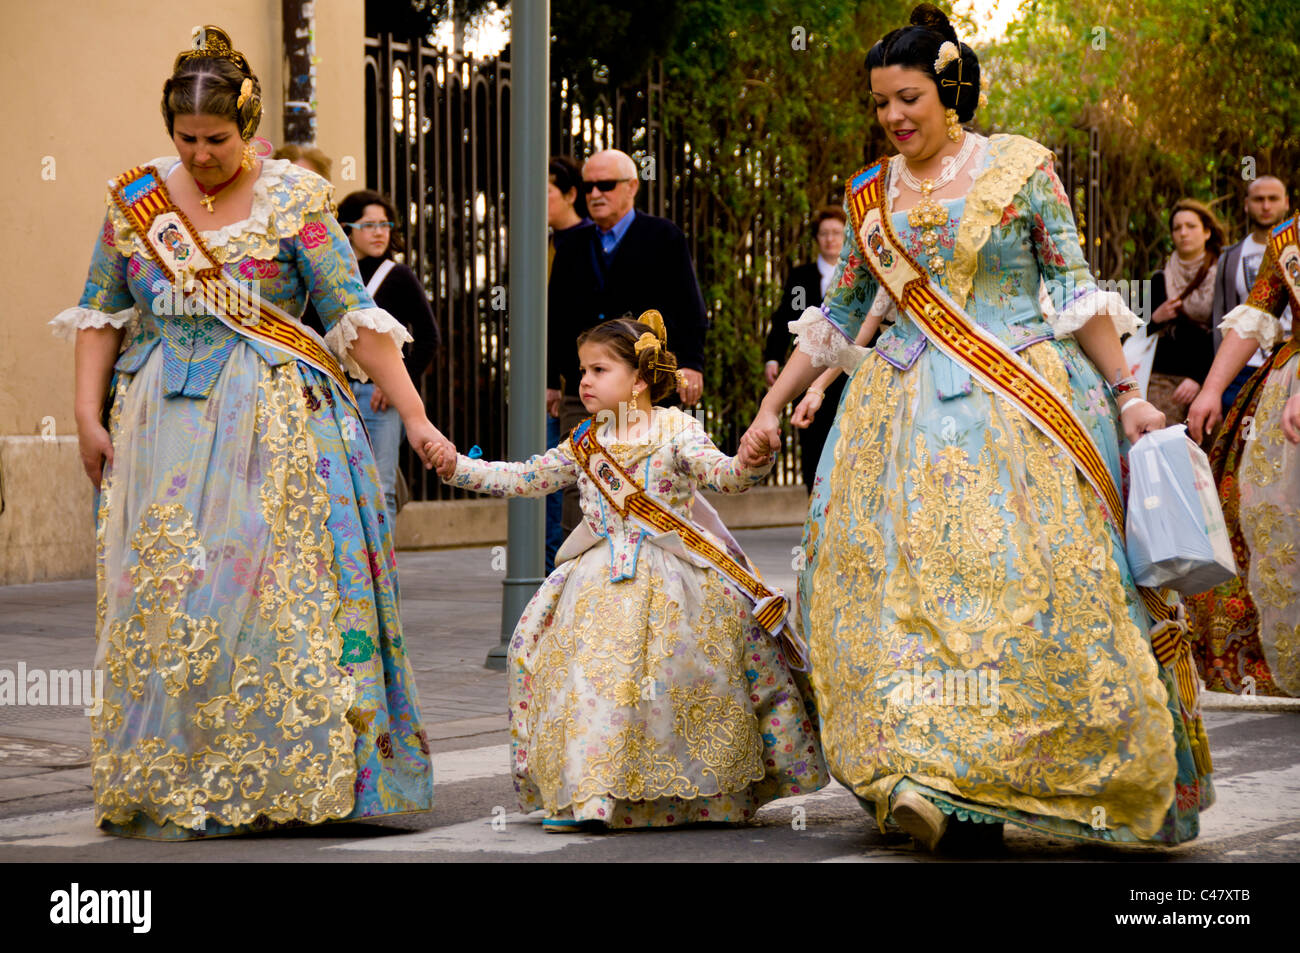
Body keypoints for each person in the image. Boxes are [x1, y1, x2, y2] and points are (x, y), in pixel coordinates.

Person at [741, 3, 1212, 852]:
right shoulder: (868, 192)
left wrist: (1127, 392)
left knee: (1034, 588)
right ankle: (928, 779)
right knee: (901, 597)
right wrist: (775, 405)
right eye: (881, 102)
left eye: (909, 97)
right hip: (898, 414)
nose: (893, 117)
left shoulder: (1022, 169)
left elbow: (1072, 287)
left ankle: (1041, 772)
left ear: (949, 89)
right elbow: (842, 314)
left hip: (1020, 404)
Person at [49, 26, 449, 839]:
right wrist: (87, 416)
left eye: (218, 140)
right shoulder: (135, 201)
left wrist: (411, 412)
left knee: (261, 595)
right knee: (167, 598)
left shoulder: (294, 198)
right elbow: (102, 312)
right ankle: (175, 771)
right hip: (160, 421)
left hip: (273, 423)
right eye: (186, 139)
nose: (200, 156)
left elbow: (351, 317)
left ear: (248, 124)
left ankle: (278, 770)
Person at [431, 314, 826, 831]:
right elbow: (527, 476)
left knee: (673, 687)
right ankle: (592, 794)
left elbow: (724, 477)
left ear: (639, 380)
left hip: (676, 582)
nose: (584, 382)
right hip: (595, 580)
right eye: (582, 371)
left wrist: (751, 459)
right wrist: (455, 464)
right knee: (587, 681)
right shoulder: (584, 440)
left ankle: (683, 796)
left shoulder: (676, 429)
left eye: (599, 369)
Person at [547, 149, 709, 536]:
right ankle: (579, 571)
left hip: (644, 385)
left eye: (606, 185)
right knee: (580, 475)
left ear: (632, 187)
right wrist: (553, 380)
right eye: (588, 186)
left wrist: (691, 363)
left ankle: (651, 559)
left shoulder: (663, 237)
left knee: (647, 469)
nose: (596, 193)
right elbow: (555, 316)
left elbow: (689, 305)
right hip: (584, 389)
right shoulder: (572, 245)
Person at [1186, 210, 1300, 697]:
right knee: (1259, 514)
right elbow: (1257, 317)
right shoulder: (1289, 236)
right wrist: (1211, 389)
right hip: (1286, 388)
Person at [336, 189, 441, 531]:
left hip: (379, 400)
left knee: (380, 486)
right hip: (335, 393)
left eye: (384, 224)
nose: (379, 232)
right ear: (345, 228)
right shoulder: (333, 278)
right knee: (339, 484)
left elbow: (428, 338)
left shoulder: (398, 276)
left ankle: (384, 578)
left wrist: (396, 383)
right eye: (368, 225)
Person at [763, 206, 860, 491]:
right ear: (817, 238)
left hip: (848, 371)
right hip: (809, 368)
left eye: (836, 233)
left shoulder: (856, 275)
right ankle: (812, 505)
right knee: (813, 440)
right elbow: (787, 318)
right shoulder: (801, 278)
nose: (830, 239)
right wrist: (772, 357)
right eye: (824, 233)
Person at [544, 157, 594, 571]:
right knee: (547, 478)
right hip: (552, 380)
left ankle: (567, 570)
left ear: (570, 194)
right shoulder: (536, 242)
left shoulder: (586, 242)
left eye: (545, 192)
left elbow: (565, 321)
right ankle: (552, 572)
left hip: (573, 382)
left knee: (575, 481)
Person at [1209, 176, 1292, 411]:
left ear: (1286, 202)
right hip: (1248, 367)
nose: (1266, 206)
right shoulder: (1232, 256)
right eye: (1259, 199)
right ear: (1247, 204)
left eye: (1273, 199)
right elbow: (1236, 316)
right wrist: (1214, 385)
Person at [1145, 199, 1224, 426]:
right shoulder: (1160, 279)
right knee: (1162, 442)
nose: (1183, 233)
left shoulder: (1222, 277)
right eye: (1177, 228)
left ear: (1207, 232)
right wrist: (1155, 318)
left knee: (1207, 449)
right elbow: (1134, 332)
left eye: (1191, 226)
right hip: (1162, 379)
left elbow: (1228, 332)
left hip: (1210, 378)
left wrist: (1200, 379)